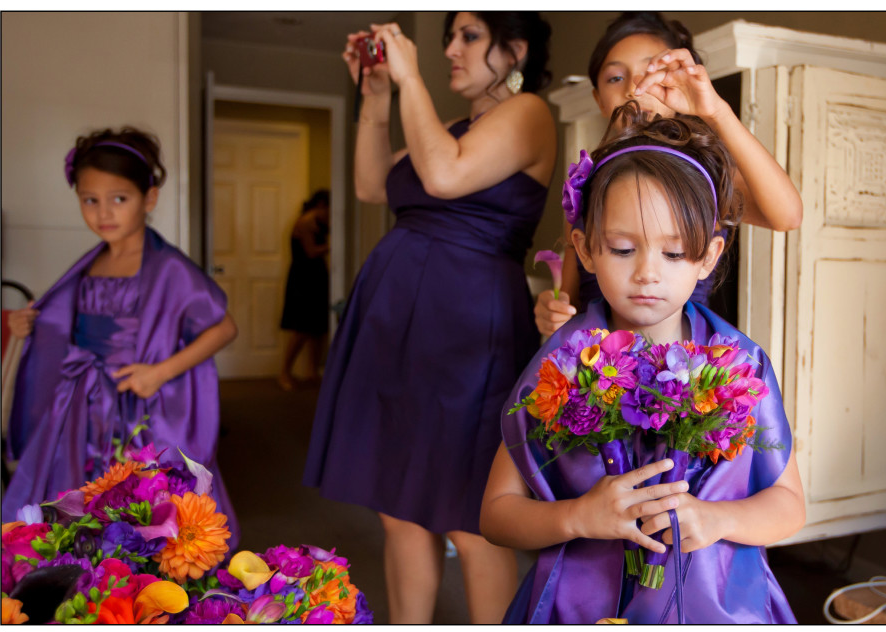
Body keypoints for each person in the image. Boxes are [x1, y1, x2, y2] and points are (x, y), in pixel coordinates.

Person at [481, 104, 805, 624]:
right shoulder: (557, 369)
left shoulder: (741, 364)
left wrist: (717, 519)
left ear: (710, 255)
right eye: (624, 248)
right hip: (582, 605)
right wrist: (577, 517)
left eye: (675, 254)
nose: (648, 274)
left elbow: (789, 504)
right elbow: (496, 515)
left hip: (717, 606)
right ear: (586, 250)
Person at [302, 12, 555, 624]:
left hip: (467, 329)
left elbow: (442, 174)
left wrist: (410, 73)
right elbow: (370, 183)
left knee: (471, 516)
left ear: (514, 49)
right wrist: (380, 95)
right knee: (401, 506)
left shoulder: (530, 115)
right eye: (449, 37)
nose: (450, 49)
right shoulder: (448, 126)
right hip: (395, 323)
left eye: (468, 36)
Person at [3, 127, 241, 546]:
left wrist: (160, 372)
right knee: (75, 502)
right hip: (81, 408)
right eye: (89, 200)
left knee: (141, 505)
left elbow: (224, 327)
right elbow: (62, 321)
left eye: (119, 199)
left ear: (148, 199)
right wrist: (28, 323)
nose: (103, 213)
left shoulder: (168, 268)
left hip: (138, 409)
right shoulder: (92, 263)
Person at [533, 12, 803, 337]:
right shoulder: (585, 183)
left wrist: (715, 110)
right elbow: (571, 296)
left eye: (652, 71)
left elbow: (787, 216)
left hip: (680, 369)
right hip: (600, 371)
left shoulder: (705, 178)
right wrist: (553, 307)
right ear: (598, 99)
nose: (635, 87)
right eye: (615, 78)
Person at [277, 189, 331, 392]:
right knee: (301, 329)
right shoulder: (307, 222)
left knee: (318, 329)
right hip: (303, 278)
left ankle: (312, 372)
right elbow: (310, 251)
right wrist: (333, 246)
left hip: (316, 276)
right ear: (321, 205)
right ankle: (284, 372)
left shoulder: (321, 222)